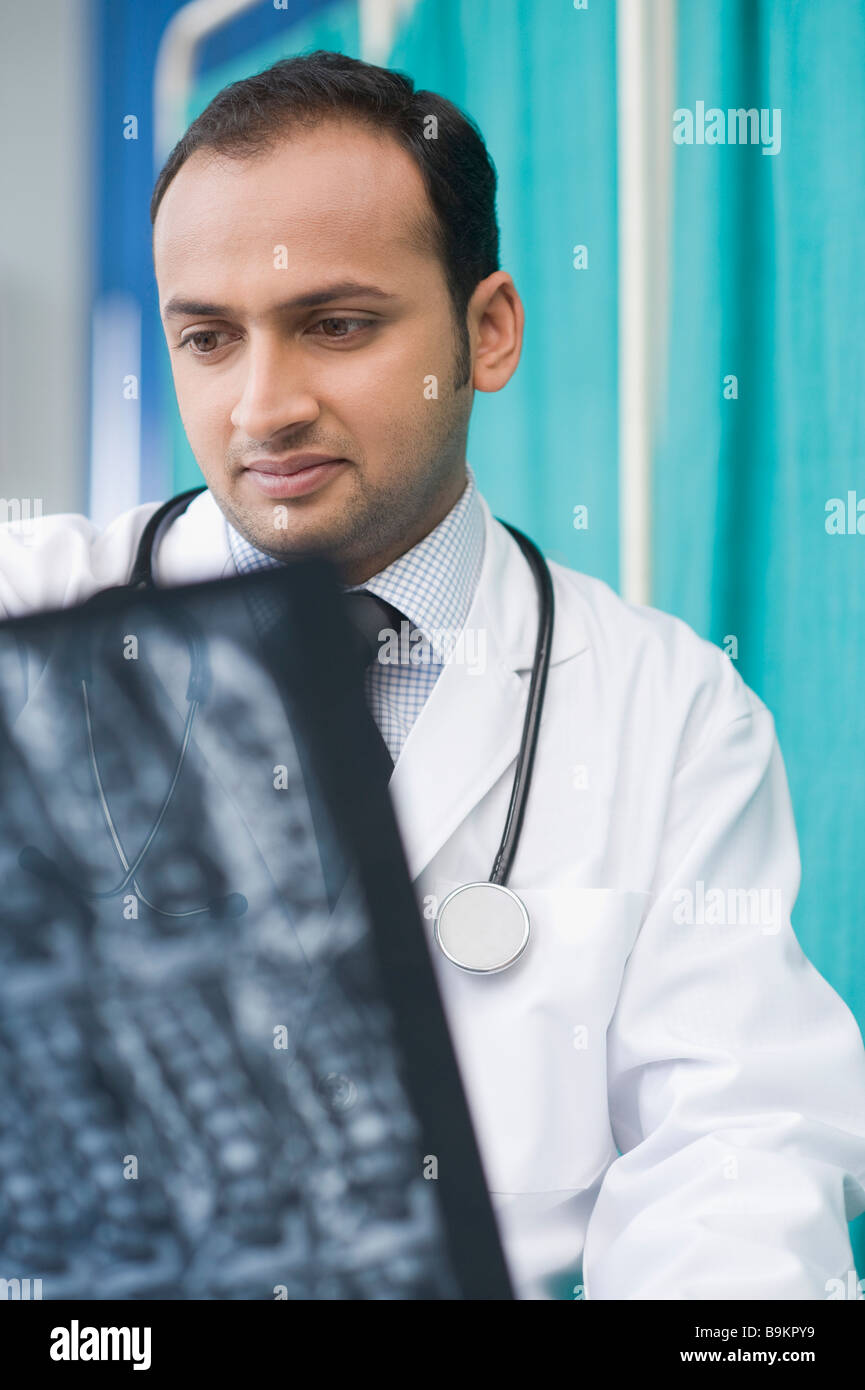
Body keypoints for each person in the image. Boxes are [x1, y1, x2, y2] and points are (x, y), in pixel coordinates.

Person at [2, 49, 865, 1302]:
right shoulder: (29, 620)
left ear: (488, 329)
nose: (263, 405)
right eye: (207, 337)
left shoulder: (665, 711)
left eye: (335, 325)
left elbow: (735, 1165)